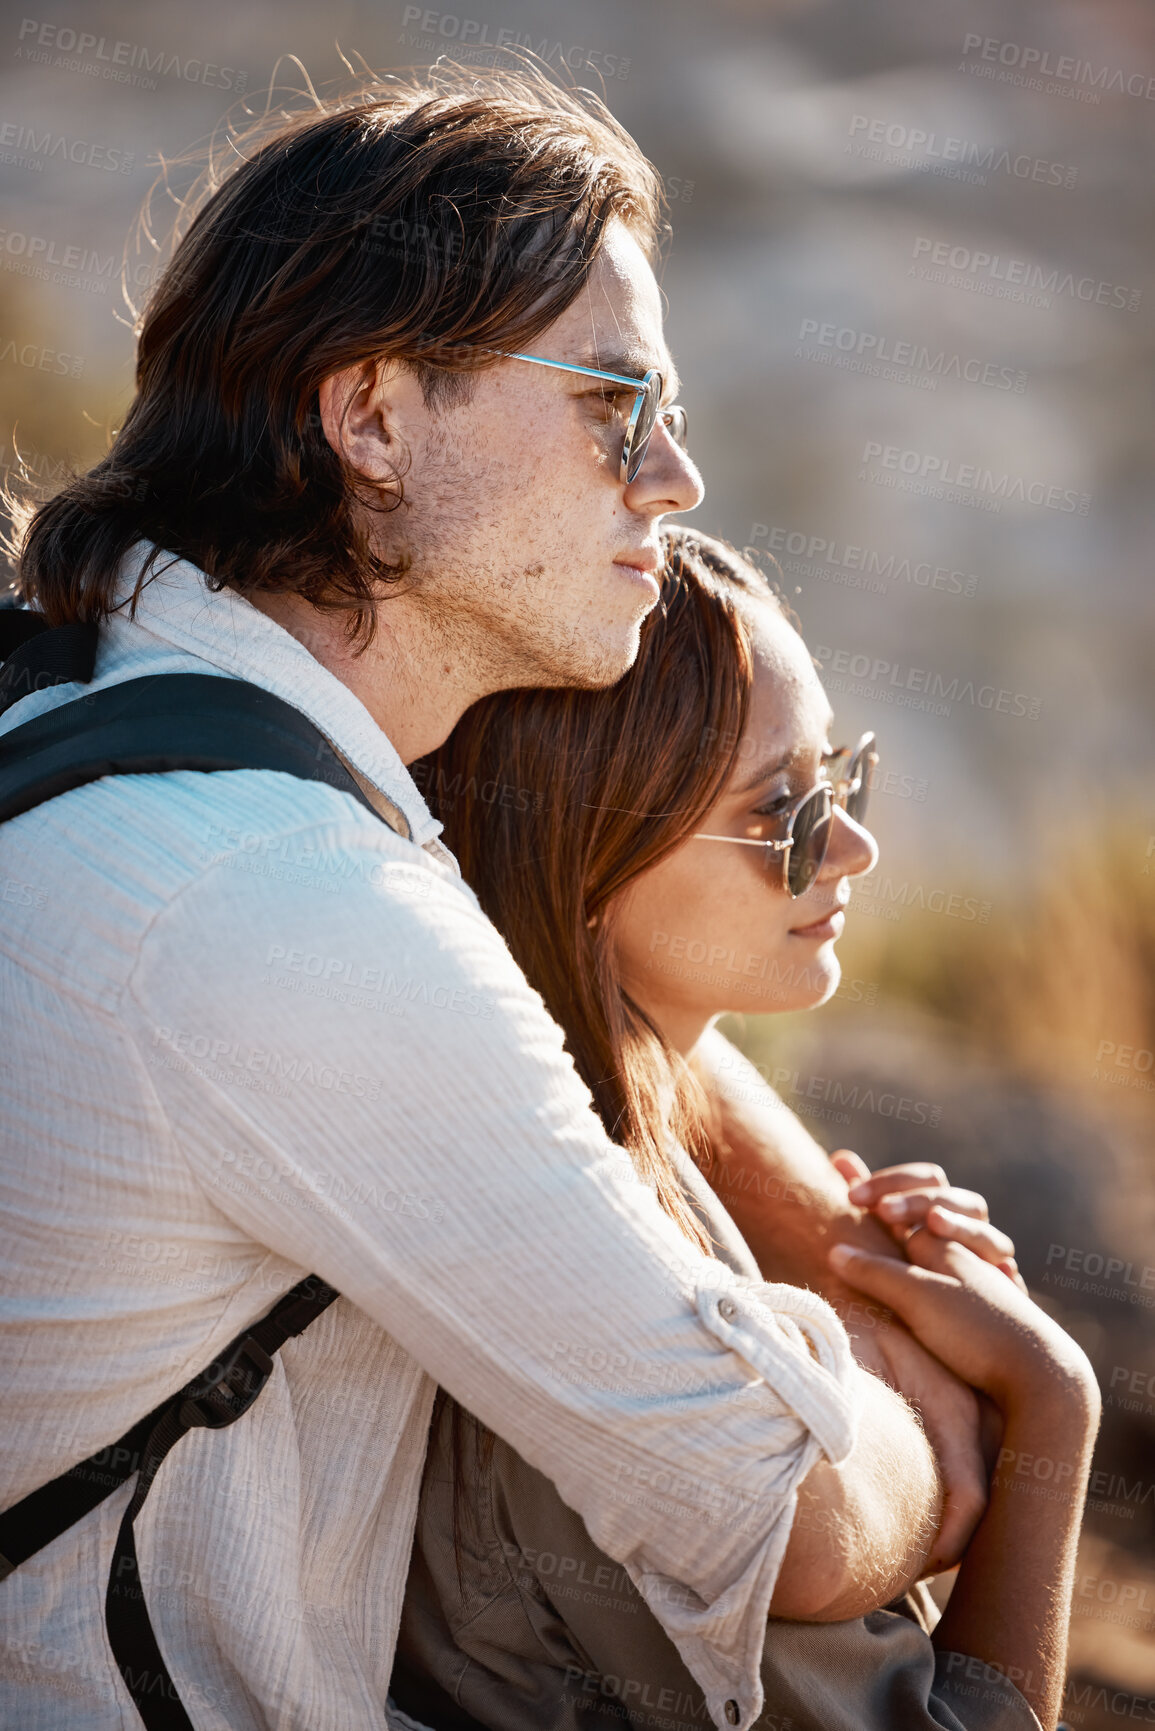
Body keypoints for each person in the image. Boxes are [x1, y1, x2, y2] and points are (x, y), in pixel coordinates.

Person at [0, 67, 967, 1731]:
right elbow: (785, 1517)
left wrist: (812, 1221)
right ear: (369, 418)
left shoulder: (97, 695)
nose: (675, 481)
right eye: (616, 406)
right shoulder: (286, 906)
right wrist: (953, 1413)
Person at [393, 529, 1100, 1731]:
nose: (855, 847)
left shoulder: (573, 1135)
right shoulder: (647, 1300)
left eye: (844, 777)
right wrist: (1049, 1409)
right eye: (784, 811)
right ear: (586, 861)